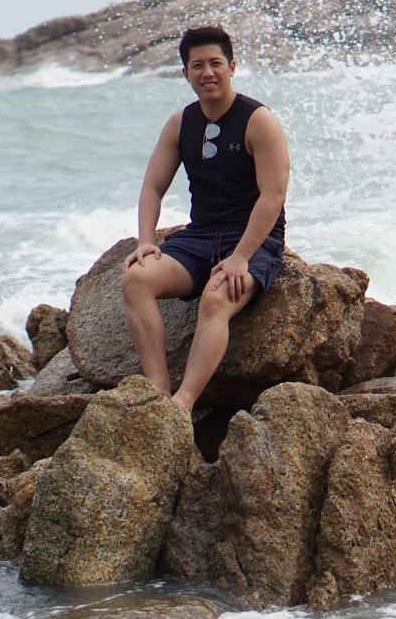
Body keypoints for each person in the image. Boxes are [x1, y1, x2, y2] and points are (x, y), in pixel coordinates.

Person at [122, 25, 290, 412]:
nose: (207, 72)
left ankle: (182, 404)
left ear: (232, 67)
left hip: (254, 238)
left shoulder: (257, 120)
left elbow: (273, 196)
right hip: (200, 236)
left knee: (217, 297)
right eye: (197, 65)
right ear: (185, 73)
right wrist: (145, 240)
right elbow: (152, 188)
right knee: (137, 278)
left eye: (216, 63)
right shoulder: (181, 123)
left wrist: (241, 257)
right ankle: (157, 388)